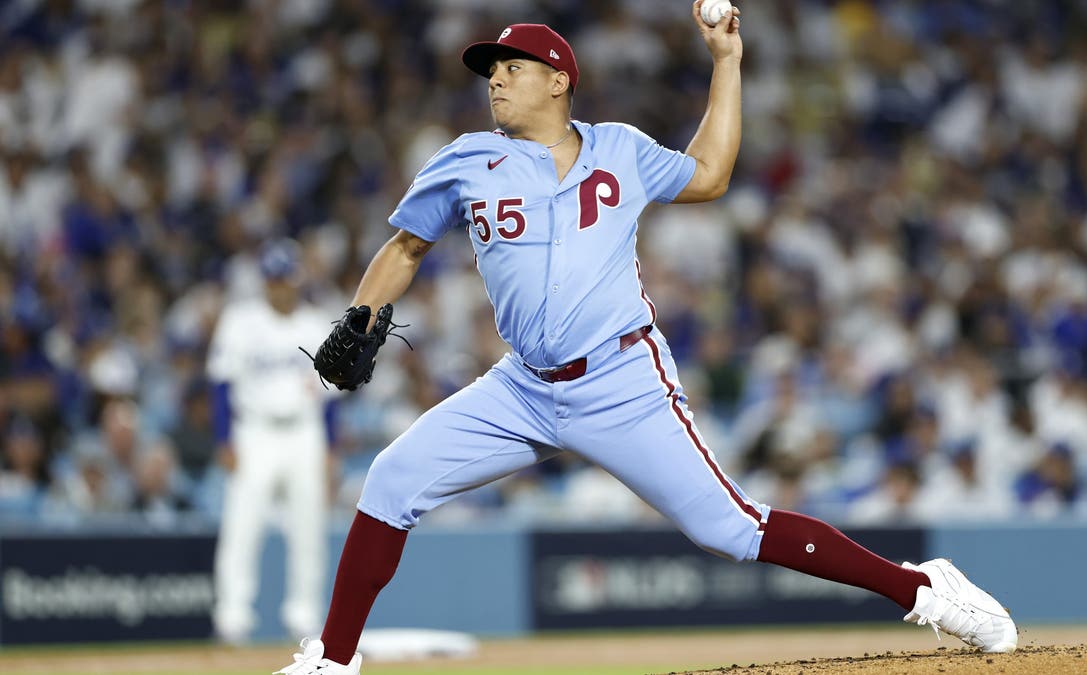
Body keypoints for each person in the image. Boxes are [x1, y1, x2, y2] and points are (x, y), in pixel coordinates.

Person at [275, 5, 1017, 673]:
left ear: (558, 80)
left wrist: (726, 61)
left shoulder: (618, 150)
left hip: (620, 381)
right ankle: (334, 660)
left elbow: (710, 173)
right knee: (391, 479)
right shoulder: (466, 159)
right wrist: (360, 315)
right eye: (490, 71)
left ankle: (922, 587)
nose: (495, 81)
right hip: (522, 386)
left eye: (511, 68)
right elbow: (404, 249)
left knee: (731, 527)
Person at [209, 238, 339, 644]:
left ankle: (304, 617)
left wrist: (330, 449)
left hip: (305, 431)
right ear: (264, 281)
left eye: (284, 277)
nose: (279, 286)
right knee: (242, 527)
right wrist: (224, 439)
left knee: (309, 529)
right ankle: (232, 618)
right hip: (255, 432)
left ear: (296, 279)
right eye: (272, 278)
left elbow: (331, 396)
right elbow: (220, 384)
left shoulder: (317, 323)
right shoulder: (240, 320)